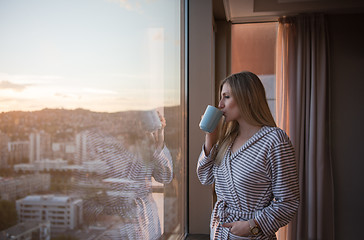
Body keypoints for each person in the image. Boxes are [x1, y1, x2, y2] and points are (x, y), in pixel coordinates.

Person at [197, 71, 299, 239]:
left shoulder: (274, 140)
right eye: (220, 97)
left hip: (251, 234)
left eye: (227, 97)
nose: (220, 104)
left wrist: (252, 226)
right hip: (219, 233)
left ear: (248, 98)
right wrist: (210, 138)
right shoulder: (226, 140)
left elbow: (289, 202)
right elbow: (205, 178)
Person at [73, 110, 172, 240]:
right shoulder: (92, 140)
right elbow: (82, 195)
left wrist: (159, 144)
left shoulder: (145, 140)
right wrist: (106, 218)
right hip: (116, 230)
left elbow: (165, 177)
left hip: (148, 227)